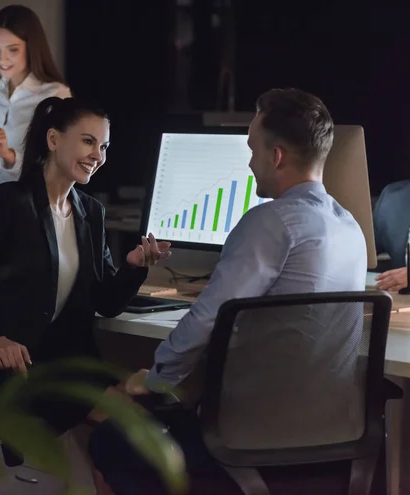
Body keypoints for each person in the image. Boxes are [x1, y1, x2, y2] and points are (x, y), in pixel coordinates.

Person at [88, 88, 368, 494]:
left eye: (253, 149)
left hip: (246, 436)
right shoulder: (351, 228)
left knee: (110, 439)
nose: (250, 162)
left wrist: (153, 381)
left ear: (277, 157)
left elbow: (208, 317)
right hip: (332, 436)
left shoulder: (271, 222)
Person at [0, 95, 171, 435]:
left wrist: (134, 267)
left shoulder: (91, 212)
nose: (98, 155)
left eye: (104, 146)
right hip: (12, 364)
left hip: (65, 363)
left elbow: (106, 302)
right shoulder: (9, 202)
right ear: (53, 140)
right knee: (128, 427)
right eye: (88, 141)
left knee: (151, 409)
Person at [0, 4, 71, 210]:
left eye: (13, 50)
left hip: (32, 210)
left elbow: (58, 163)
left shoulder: (55, 95)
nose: (2, 59)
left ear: (31, 47)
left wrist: (9, 156)